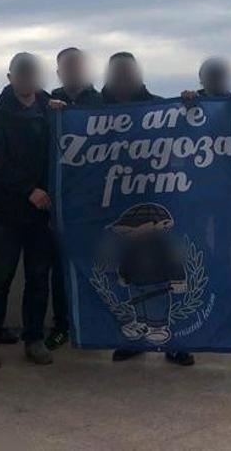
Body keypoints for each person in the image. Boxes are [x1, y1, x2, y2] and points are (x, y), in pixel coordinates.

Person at [100, 52, 194, 366]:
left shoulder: (160, 105)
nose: (124, 77)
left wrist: (193, 104)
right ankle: (131, 340)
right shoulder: (94, 109)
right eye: (119, 72)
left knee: (162, 272)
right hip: (117, 201)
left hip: (159, 198)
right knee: (128, 277)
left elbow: (189, 136)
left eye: (129, 71)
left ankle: (176, 343)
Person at [0, 53, 56, 369]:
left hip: (43, 215)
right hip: (5, 214)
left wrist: (48, 192)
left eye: (31, 74)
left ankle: (34, 339)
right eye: (21, 75)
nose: (26, 80)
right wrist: (29, 190)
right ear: (11, 77)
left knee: (39, 279)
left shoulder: (54, 111)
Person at [43, 46, 102, 350]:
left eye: (78, 65)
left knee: (99, 265)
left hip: (97, 203)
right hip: (60, 204)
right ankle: (62, 325)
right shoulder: (48, 101)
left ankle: (98, 326)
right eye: (67, 66)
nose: (73, 71)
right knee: (60, 268)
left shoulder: (102, 102)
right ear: (59, 72)